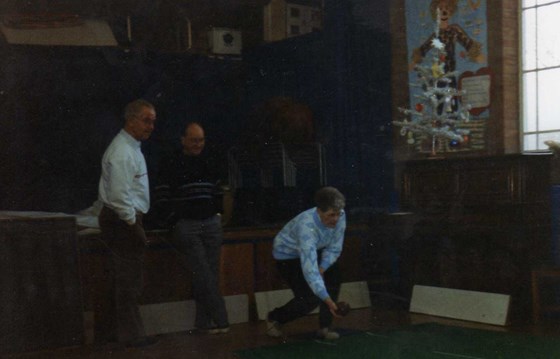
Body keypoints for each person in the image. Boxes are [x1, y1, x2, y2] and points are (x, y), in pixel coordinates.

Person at [153, 122, 229, 334]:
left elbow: (218, 191)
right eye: (194, 140)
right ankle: (222, 319)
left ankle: (203, 323)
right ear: (183, 140)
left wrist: (217, 213)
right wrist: (173, 220)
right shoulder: (171, 163)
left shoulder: (210, 161)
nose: (198, 144)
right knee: (203, 273)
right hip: (187, 225)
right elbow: (162, 195)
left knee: (209, 274)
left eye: (201, 140)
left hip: (211, 223)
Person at [97, 98, 157, 347]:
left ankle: (111, 335)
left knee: (122, 280)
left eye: (153, 121)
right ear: (130, 119)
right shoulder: (122, 151)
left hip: (123, 220)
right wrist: (134, 225)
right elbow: (119, 198)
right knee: (128, 281)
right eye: (146, 120)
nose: (151, 126)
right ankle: (131, 337)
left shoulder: (131, 148)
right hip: (123, 221)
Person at [267, 186, 346, 340]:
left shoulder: (340, 215)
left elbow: (335, 248)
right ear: (319, 211)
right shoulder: (306, 227)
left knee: (334, 275)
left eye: (338, 214)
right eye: (331, 215)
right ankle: (274, 317)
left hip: (316, 249)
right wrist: (329, 301)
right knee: (310, 298)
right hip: (288, 257)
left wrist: (323, 267)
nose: (336, 219)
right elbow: (310, 271)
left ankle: (325, 327)